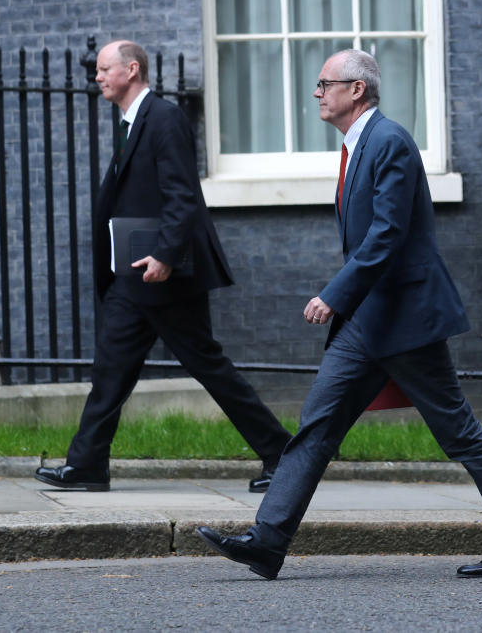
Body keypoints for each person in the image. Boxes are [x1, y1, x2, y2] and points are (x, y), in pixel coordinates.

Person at [196, 49, 482, 579]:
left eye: (324, 83)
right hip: (368, 322)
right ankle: (268, 541)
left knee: (458, 432)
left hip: (404, 321)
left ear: (356, 89)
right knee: (316, 428)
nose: (316, 92)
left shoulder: (389, 142)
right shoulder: (359, 145)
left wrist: (335, 293)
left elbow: (387, 234)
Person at [35, 40, 291, 493]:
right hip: (134, 277)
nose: (97, 76)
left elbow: (182, 194)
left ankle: (282, 455)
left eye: (104, 68)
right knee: (110, 369)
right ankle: (87, 465)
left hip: (164, 275)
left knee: (209, 366)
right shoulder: (132, 122)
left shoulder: (164, 118)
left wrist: (167, 255)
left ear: (131, 69)